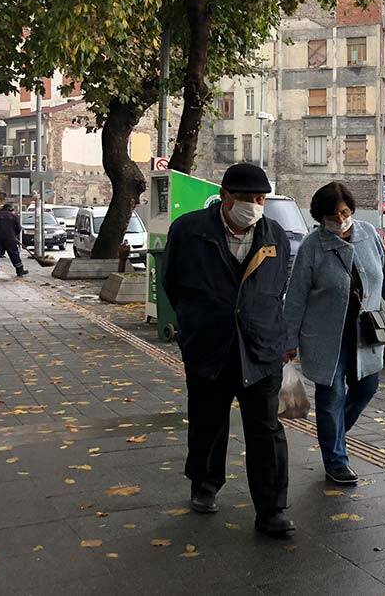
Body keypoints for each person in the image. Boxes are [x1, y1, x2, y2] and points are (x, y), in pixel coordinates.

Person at [161, 163, 296, 537]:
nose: (255, 205)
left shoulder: (275, 235)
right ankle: (205, 484)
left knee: (266, 430)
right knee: (208, 420)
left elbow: (276, 288)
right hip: (210, 345)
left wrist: (279, 336)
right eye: (247, 198)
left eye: (260, 198)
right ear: (225, 196)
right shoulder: (190, 232)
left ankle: (272, 510)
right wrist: (194, 323)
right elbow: (172, 282)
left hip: (260, 348)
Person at [285, 182, 385, 486]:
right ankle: (335, 460)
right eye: (333, 217)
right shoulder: (312, 246)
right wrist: (289, 340)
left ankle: (333, 435)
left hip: (365, 333)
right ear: (321, 219)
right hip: (324, 335)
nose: (340, 220)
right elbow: (295, 297)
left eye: (344, 212)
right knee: (331, 397)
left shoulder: (369, 235)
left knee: (367, 388)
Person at [0, 203, 28, 278]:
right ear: (10, 209)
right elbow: (18, 228)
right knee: (14, 254)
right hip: (10, 239)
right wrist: (13, 235)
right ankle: (20, 271)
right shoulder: (14, 216)